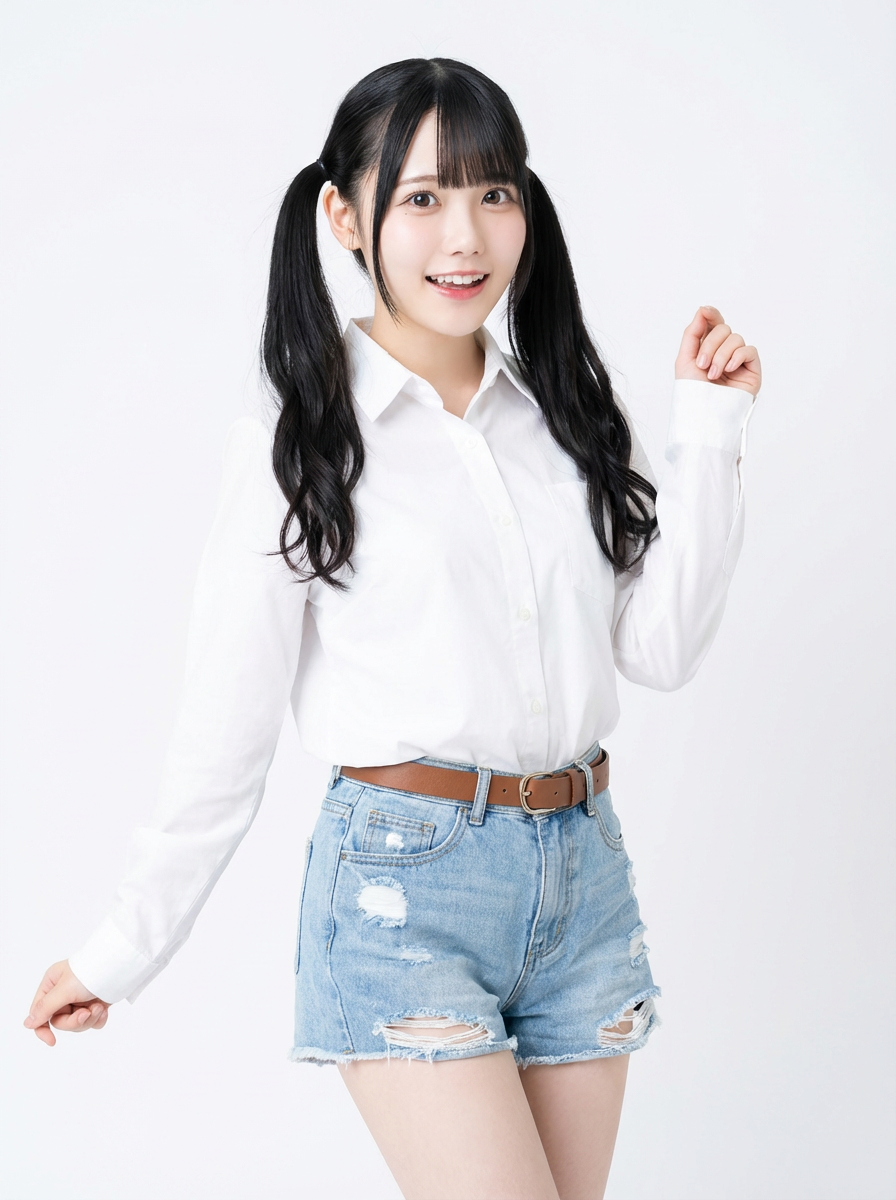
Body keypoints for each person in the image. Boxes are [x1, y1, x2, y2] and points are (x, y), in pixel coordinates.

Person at [23, 57, 761, 1200]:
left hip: (584, 879)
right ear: (342, 215)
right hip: (401, 891)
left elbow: (659, 647)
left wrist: (709, 430)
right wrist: (120, 953)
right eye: (421, 198)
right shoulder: (302, 443)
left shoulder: (566, 410)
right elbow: (224, 735)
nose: (464, 236)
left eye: (493, 192)